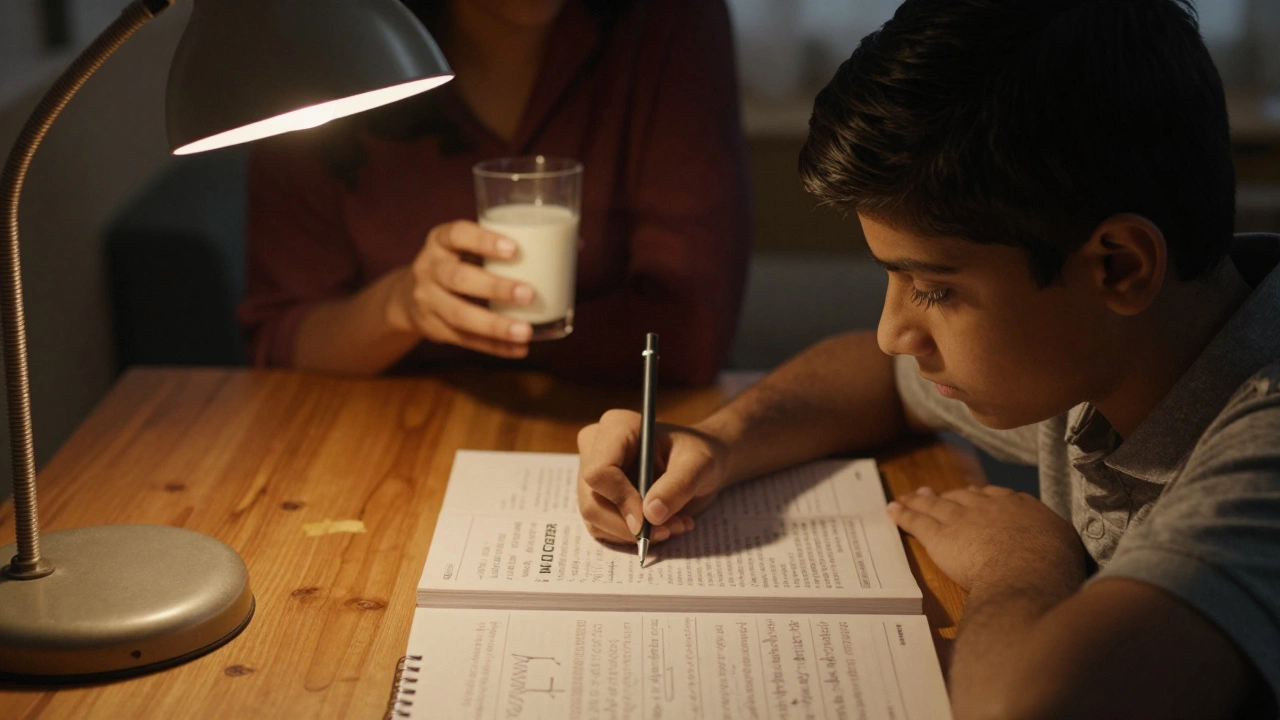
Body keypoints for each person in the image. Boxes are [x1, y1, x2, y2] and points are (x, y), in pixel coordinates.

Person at [576, 0, 1280, 716]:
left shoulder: (1261, 452)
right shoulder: (1112, 355)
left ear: (1120, 267)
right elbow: (879, 375)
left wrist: (1021, 565)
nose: (892, 331)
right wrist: (716, 443)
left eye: (935, 289)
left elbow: (1029, 708)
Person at [237, 0, 750, 384]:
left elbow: (691, 337)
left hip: (614, 422)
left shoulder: (666, 20)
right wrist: (402, 306)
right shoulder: (328, 46)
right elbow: (284, 342)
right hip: (386, 437)